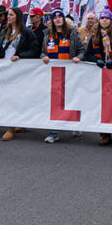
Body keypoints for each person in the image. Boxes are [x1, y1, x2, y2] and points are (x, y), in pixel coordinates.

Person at [83, 7, 112, 146]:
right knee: (101, 104)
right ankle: (105, 134)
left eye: (107, 18)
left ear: (111, 20)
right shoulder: (94, 36)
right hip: (100, 74)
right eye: (102, 18)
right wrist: (95, 60)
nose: (104, 21)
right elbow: (89, 54)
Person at [40, 8, 86, 143]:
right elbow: (42, 52)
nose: (57, 19)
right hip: (53, 74)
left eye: (60, 17)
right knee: (54, 103)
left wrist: (78, 57)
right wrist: (44, 57)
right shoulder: (47, 34)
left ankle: (76, 124)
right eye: (55, 18)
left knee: (72, 99)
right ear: (52, 21)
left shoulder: (72, 33)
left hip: (70, 73)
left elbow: (82, 50)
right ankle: (53, 132)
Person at [0, 7, 38, 141]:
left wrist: (20, 56)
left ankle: (11, 128)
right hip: (5, 68)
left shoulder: (26, 32)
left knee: (15, 98)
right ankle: (14, 124)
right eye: (8, 15)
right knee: (7, 97)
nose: (8, 17)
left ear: (18, 17)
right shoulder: (5, 31)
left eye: (11, 15)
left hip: (18, 70)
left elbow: (35, 50)